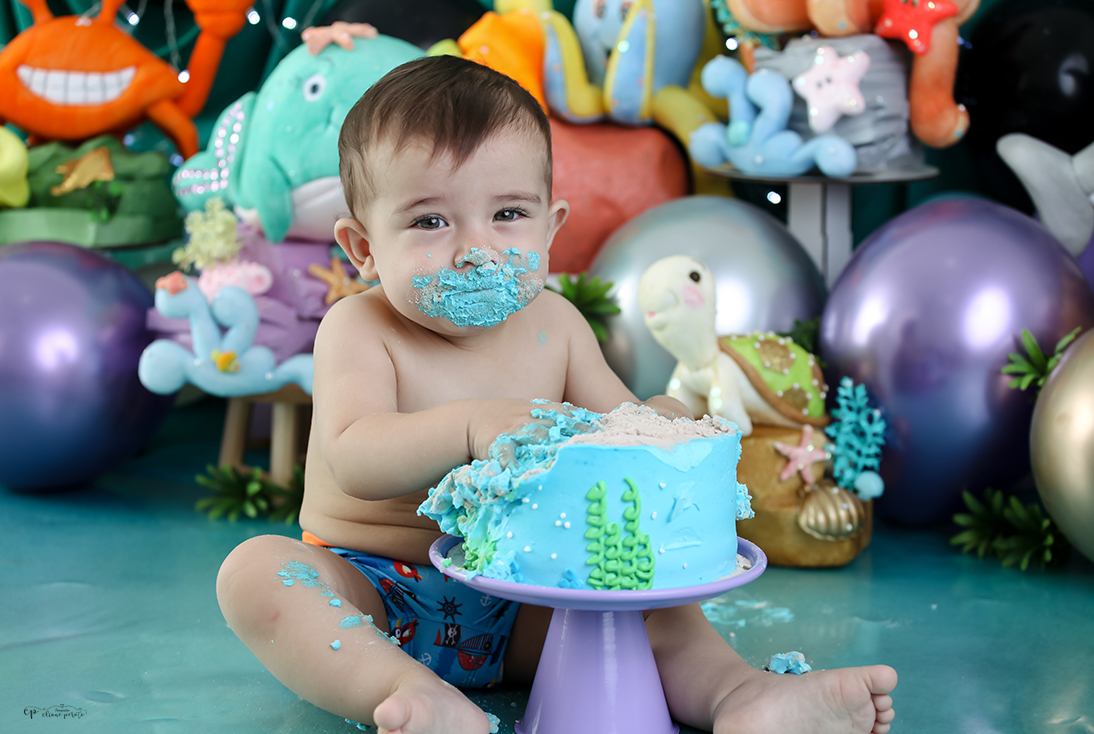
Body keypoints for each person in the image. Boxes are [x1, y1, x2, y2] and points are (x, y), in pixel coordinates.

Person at [216, 54, 897, 734]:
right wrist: (470, 427)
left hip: (537, 598)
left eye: (508, 214)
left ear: (550, 229)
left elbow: (618, 425)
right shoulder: (360, 329)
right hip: (376, 591)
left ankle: (742, 695)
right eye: (430, 222)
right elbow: (354, 459)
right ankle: (406, 691)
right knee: (259, 573)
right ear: (362, 247)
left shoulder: (558, 327)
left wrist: (661, 421)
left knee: (650, 604)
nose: (476, 249)